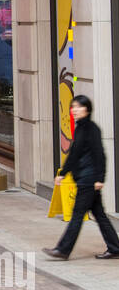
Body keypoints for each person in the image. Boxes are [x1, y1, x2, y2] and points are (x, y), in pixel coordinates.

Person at [44, 95, 119, 260]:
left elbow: (100, 154)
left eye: (78, 107)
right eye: (73, 107)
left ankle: (63, 249)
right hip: (85, 178)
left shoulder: (91, 129)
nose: (74, 110)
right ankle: (115, 248)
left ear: (87, 109)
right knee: (99, 215)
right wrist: (63, 173)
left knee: (77, 215)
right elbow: (74, 155)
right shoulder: (80, 129)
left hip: (89, 179)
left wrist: (100, 178)